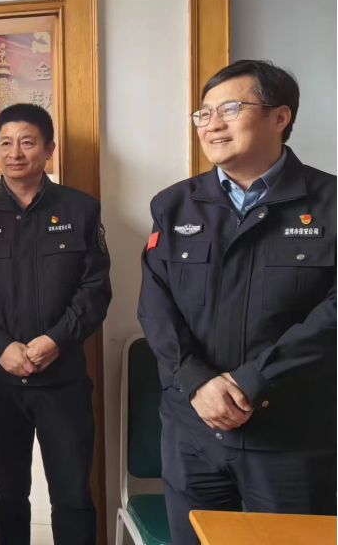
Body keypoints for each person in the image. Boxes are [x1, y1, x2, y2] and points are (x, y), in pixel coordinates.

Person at [138, 60, 337, 544]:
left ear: (279, 117)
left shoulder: (330, 203)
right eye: (203, 114)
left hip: (290, 434)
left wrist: (251, 380)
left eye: (230, 109)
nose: (212, 124)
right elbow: (156, 305)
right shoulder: (174, 204)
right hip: (192, 430)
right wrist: (197, 382)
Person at [0, 103, 111, 545]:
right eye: (5, 143)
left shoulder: (81, 209)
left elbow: (95, 290)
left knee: (73, 496)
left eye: (27, 142)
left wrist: (55, 341)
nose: (15, 152)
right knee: (7, 494)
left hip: (62, 381)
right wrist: (1, 347)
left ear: (49, 149)